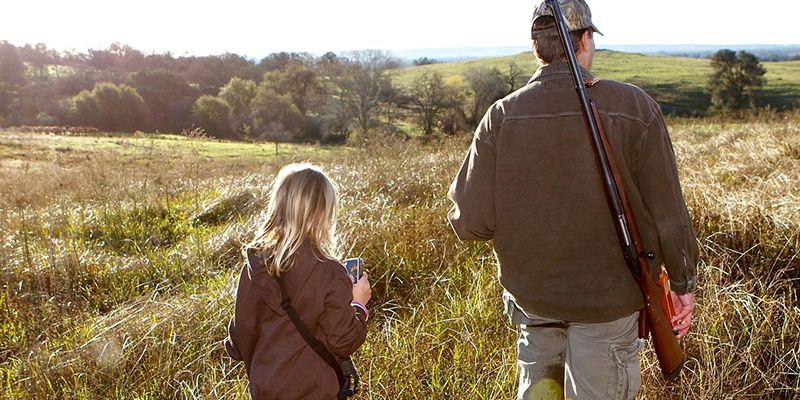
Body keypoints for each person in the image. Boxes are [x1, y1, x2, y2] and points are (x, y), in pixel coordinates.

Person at [446, 1, 699, 399]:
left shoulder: (500, 117)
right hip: (608, 308)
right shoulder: (634, 106)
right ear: (584, 39)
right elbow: (669, 213)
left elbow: (469, 222)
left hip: (534, 309)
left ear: (537, 48)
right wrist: (682, 282)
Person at [225, 163, 371, 400]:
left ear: (279, 207)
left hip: (265, 389)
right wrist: (359, 304)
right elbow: (343, 340)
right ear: (323, 214)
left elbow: (238, 341)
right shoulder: (329, 271)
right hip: (314, 390)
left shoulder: (255, 266)